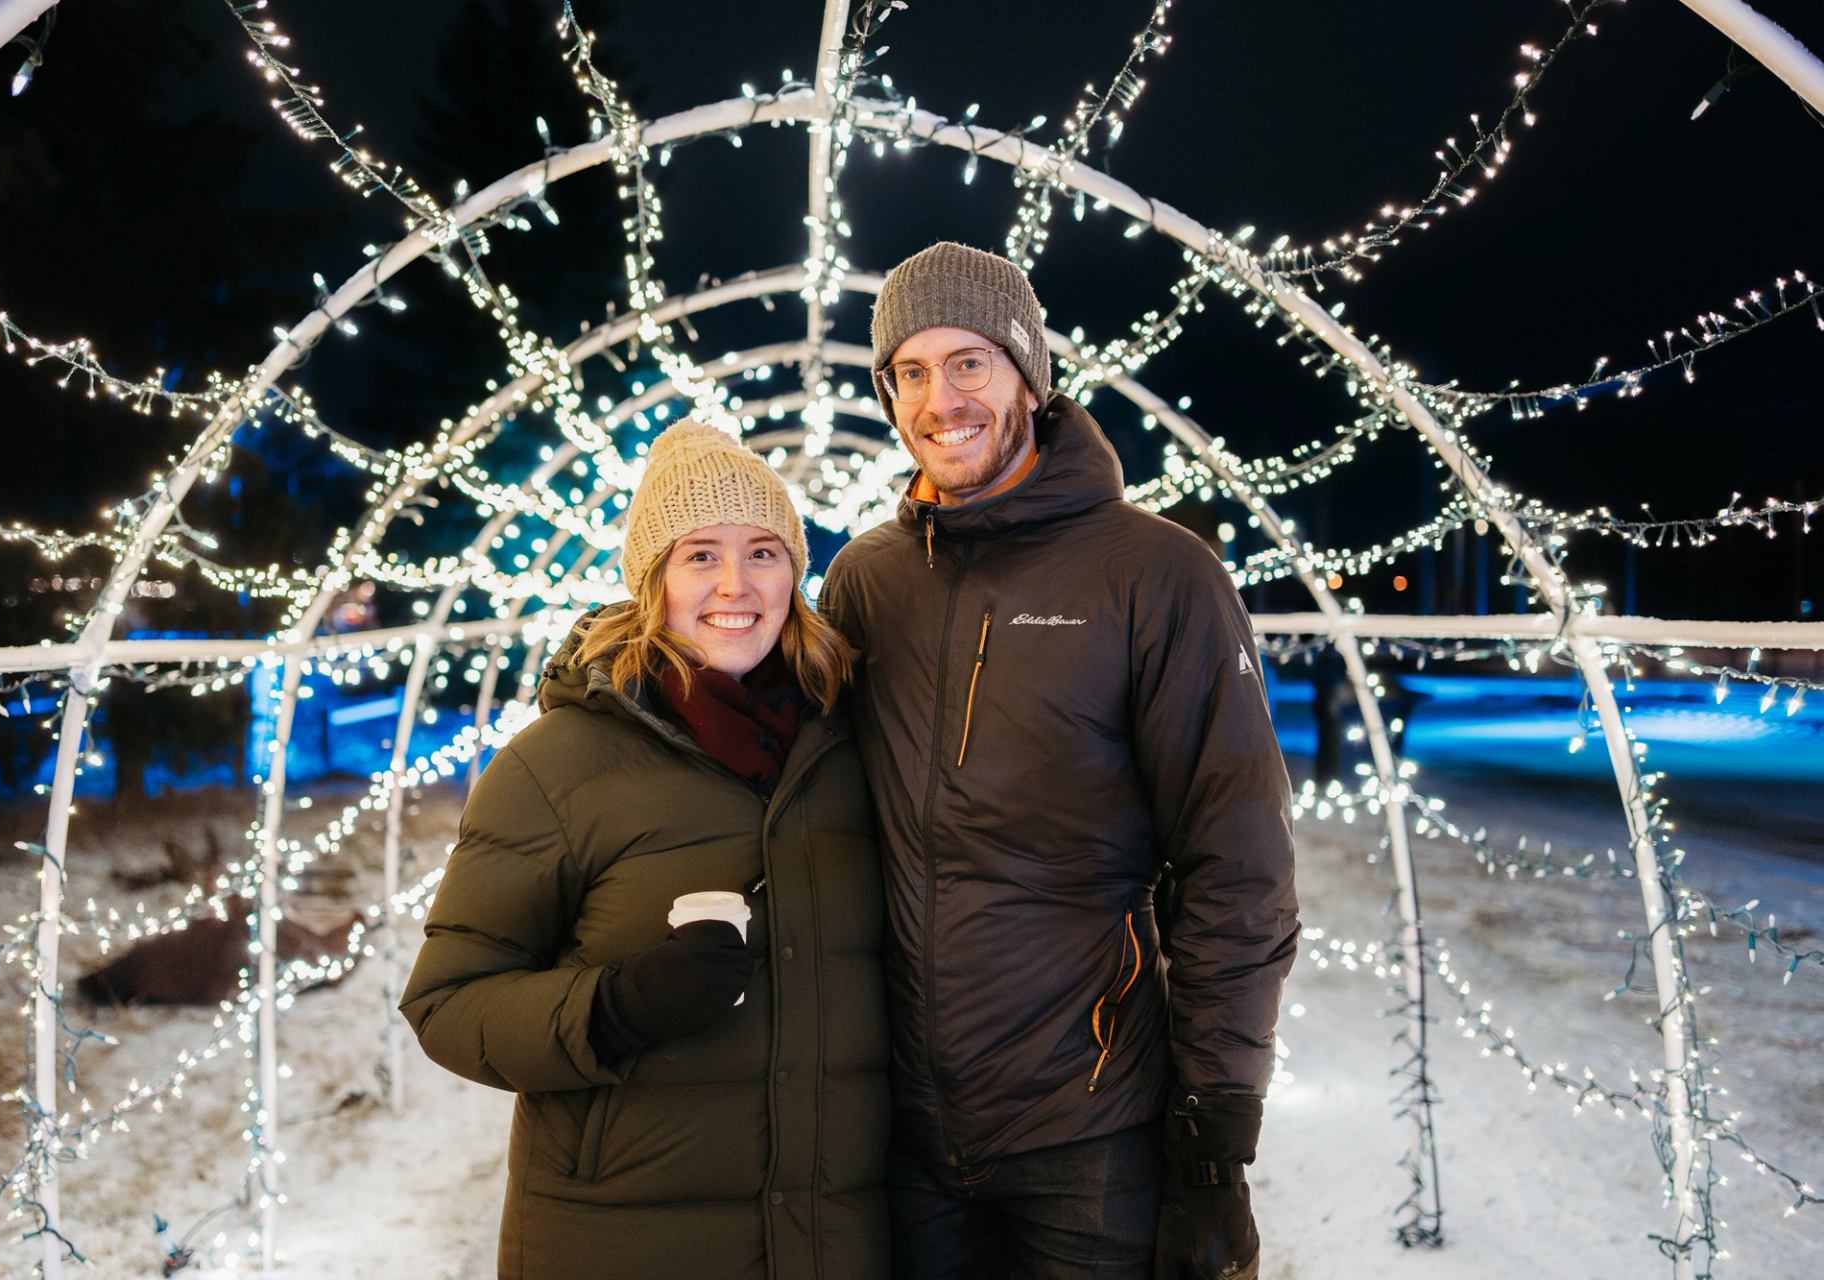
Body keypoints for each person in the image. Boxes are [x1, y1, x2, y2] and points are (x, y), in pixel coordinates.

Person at [818, 242, 1299, 1280]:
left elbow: (1236, 855)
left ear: (1028, 377)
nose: (938, 398)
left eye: (969, 363)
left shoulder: (1154, 573)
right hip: (903, 1136)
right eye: (908, 371)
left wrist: (1216, 1138)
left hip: (1088, 1127)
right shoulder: (866, 581)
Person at [401, 419, 891, 1280]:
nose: (735, 584)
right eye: (700, 554)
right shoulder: (558, 764)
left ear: (796, 574)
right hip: (618, 1239)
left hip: (829, 1239)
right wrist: (614, 1008)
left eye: (764, 552)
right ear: (652, 581)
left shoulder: (852, 748)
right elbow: (447, 1006)